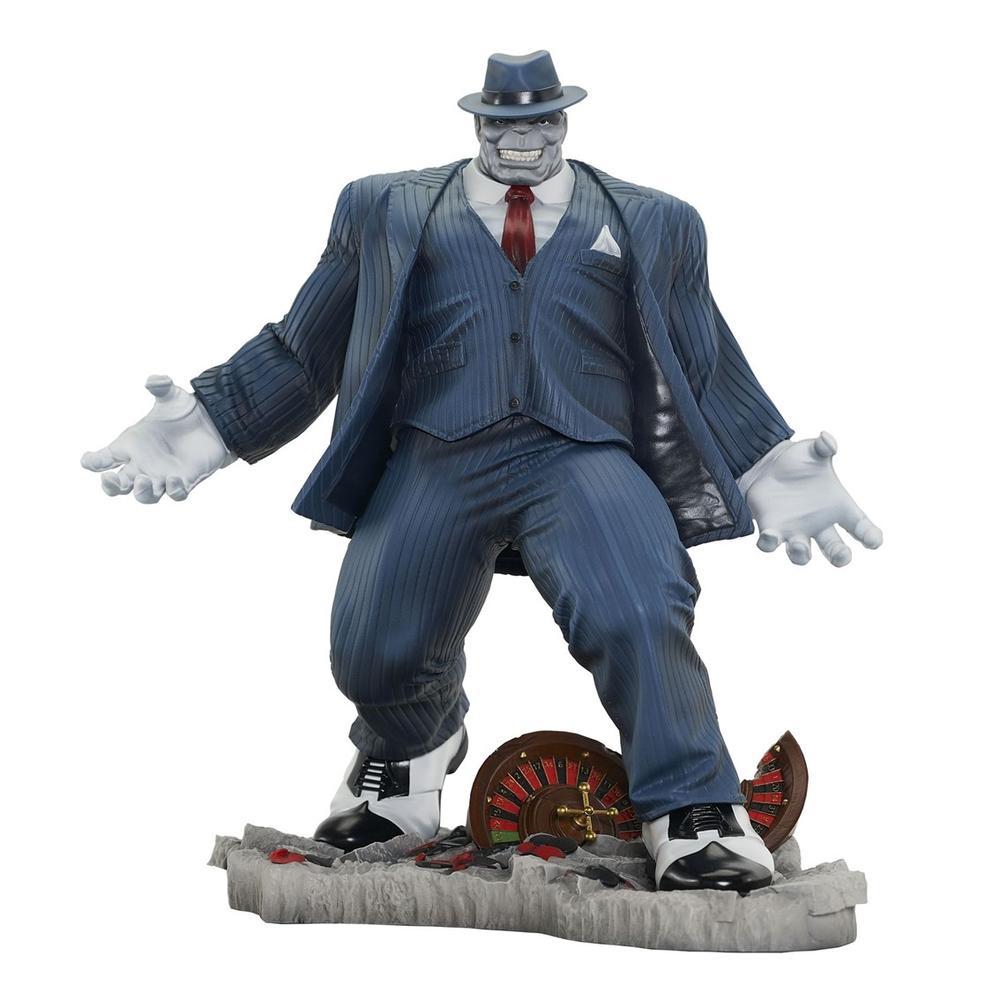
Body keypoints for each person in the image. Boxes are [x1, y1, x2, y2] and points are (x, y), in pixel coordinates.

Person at [81, 51, 881, 892]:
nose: (521, 138)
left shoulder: (656, 219)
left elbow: (702, 357)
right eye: (503, 123)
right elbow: (307, 344)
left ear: (564, 122)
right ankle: (409, 749)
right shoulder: (386, 208)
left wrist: (767, 462)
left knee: (641, 607)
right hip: (438, 451)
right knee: (372, 641)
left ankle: (692, 805)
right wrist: (208, 424)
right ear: (478, 124)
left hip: (582, 454)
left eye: (540, 120)